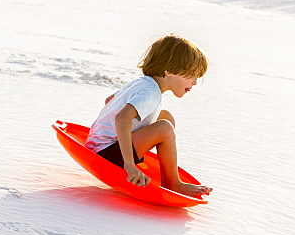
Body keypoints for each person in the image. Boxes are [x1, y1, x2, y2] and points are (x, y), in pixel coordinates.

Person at [86, 34, 212, 198]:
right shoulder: (151, 93)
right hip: (106, 155)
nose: (195, 82)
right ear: (169, 71)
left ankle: (167, 175)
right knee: (164, 127)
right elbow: (122, 118)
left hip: (96, 145)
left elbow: (110, 101)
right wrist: (129, 164)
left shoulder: (142, 83)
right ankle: (173, 183)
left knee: (165, 116)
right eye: (192, 75)